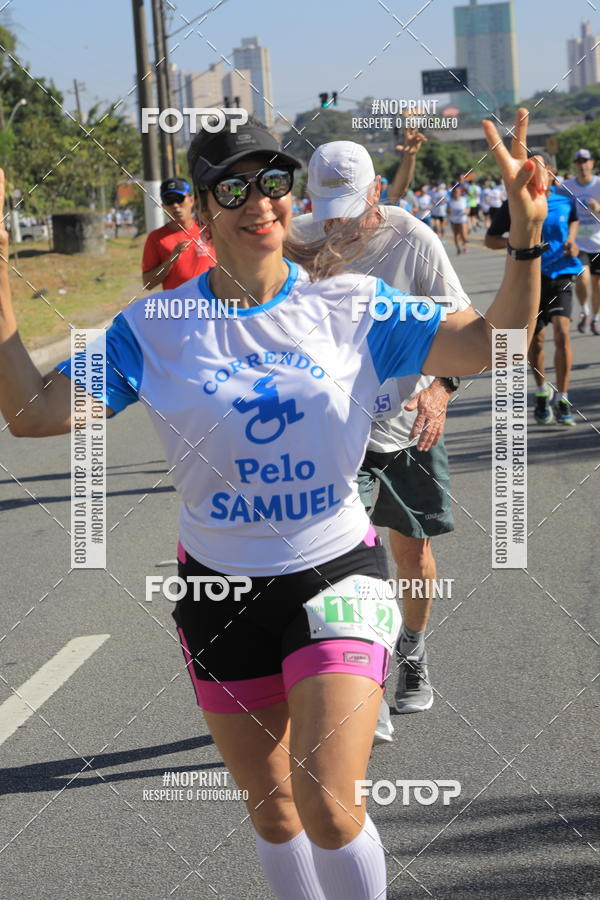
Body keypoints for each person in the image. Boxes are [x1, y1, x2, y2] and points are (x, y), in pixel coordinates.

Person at [0, 110, 546, 899]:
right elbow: (32, 413)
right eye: (235, 186)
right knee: (275, 812)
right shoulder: (155, 328)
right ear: (201, 205)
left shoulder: (355, 306)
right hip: (219, 593)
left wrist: (524, 243)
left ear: (293, 195)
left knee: (329, 803)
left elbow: (496, 344)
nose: (261, 202)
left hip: (337, 573)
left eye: (274, 182)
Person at [291, 141, 470, 735]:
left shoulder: (413, 239)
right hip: (336, 432)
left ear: (377, 192)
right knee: (346, 566)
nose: (337, 221)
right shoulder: (298, 240)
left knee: (412, 552)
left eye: (348, 206)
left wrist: (441, 387)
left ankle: (412, 654)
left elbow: (466, 328)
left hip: (410, 424)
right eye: (325, 207)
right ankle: (363, 680)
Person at [485, 154, 582, 426]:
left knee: (563, 334)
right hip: (530, 278)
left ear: (552, 172)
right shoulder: (514, 202)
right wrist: (518, 245)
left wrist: (572, 241)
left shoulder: (565, 199)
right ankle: (541, 392)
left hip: (562, 272)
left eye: (541, 169)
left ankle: (562, 398)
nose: (536, 174)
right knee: (536, 341)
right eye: (529, 169)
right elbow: (490, 239)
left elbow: (573, 220)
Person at [141, 176, 213, 291]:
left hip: (211, 304)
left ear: (191, 200)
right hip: (177, 306)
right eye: (169, 201)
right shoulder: (156, 238)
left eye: (179, 199)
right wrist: (171, 260)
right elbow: (148, 284)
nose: (175, 205)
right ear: (163, 206)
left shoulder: (209, 231)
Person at [559, 149, 600, 334]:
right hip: (577, 242)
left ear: (592, 163)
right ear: (575, 165)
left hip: (598, 242)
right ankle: (584, 311)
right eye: (579, 161)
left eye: (586, 161)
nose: (582, 165)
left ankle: (595, 318)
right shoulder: (565, 187)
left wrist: (598, 208)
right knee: (583, 277)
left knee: (597, 285)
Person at [448, 185, 469, 254]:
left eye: (458, 192)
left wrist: (466, 211)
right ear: (453, 193)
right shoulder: (450, 201)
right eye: (455, 192)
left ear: (460, 192)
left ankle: (464, 246)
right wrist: (449, 210)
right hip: (453, 220)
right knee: (456, 235)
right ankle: (458, 248)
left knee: (463, 234)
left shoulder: (464, 199)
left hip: (462, 219)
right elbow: (447, 210)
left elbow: (468, 208)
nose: (456, 193)